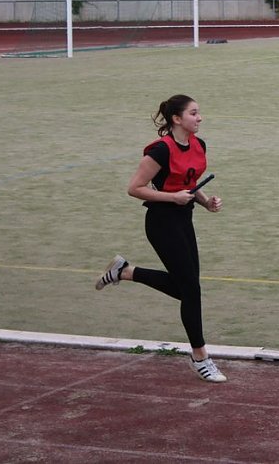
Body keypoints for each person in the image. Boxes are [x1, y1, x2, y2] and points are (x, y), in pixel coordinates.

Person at [95, 94, 227, 383]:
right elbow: (135, 188)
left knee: (187, 289)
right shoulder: (160, 151)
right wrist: (171, 198)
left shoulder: (198, 144)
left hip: (184, 219)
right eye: (194, 113)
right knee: (191, 289)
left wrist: (205, 202)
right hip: (161, 222)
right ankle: (200, 356)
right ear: (177, 119)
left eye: (199, 113)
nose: (200, 118)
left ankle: (126, 272)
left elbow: (189, 183)